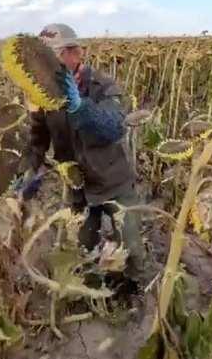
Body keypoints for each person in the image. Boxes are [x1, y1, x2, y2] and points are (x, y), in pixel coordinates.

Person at [25, 23, 144, 275]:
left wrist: (81, 108)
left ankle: (137, 296)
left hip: (113, 182)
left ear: (76, 53)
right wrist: (26, 172)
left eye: (53, 55)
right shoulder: (43, 95)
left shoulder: (102, 86)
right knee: (78, 251)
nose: (46, 65)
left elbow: (113, 128)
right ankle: (86, 293)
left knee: (132, 249)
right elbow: (38, 139)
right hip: (78, 188)